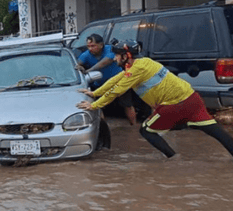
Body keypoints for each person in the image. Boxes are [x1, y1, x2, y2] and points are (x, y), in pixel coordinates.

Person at [76, 40, 233, 159]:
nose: (114, 58)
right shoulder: (144, 63)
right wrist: (95, 93)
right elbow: (116, 79)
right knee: (215, 131)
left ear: (126, 56)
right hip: (192, 98)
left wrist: (94, 106)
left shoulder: (136, 70)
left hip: (173, 105)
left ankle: (173, 159)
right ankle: (185, 125)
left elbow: (116, 90)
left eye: (117, 55)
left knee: (146, 130)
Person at [76, 34, 136, 125]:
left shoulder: (111, 49)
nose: (90, 49)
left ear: (101, 44)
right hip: (100, 84)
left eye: (93, 46)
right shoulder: (86, 55)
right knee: (98, 108)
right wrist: (80, 67)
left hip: (119, 82)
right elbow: (77, 64)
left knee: (127, 105)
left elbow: (105, 62)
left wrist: (88, 70)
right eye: (88, 46)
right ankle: (102, 128)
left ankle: (134, 126)